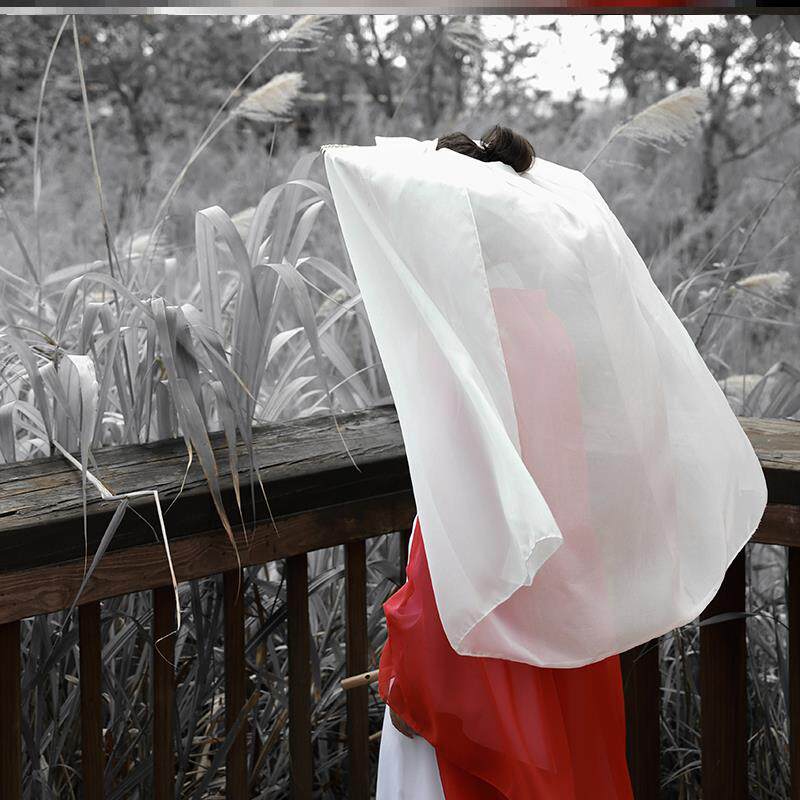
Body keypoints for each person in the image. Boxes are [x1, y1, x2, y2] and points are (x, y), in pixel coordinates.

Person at [323, 127, 767, 798]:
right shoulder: (546, 325)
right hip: (563, 604)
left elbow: (463, 534)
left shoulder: (466, 344)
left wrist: (410, 668)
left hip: (481, 632)